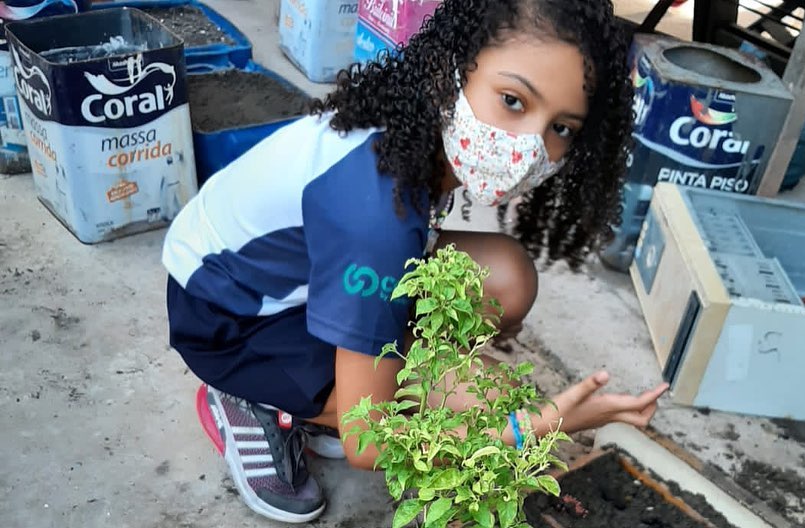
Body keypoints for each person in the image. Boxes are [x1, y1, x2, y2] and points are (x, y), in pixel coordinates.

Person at [162, 0, 669, 523]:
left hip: (296, 276)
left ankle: (340, 391)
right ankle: (251, 398)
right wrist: (539, 426)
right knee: (477, 401)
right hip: (229, 318)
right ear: (442, 71)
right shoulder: (373, 215)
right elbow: (370, 446)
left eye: (561, 128)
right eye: (514, 101)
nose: (530, 145)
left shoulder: (411, 138)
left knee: (505, 280)